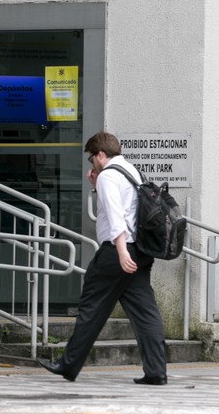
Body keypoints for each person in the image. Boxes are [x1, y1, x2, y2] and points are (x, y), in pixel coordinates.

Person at [37, 130, 168, 385]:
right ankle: (156, 371)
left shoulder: (109, 175)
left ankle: (69, 364)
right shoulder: (132, 171)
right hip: (140, 251)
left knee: (91, 307)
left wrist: (120, 251)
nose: (91, 163)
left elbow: (117, 215)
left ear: (100, 154)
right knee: (145, 312)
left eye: (91, 158)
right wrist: (96, 186)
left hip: (117, 251)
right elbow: (130, 209)